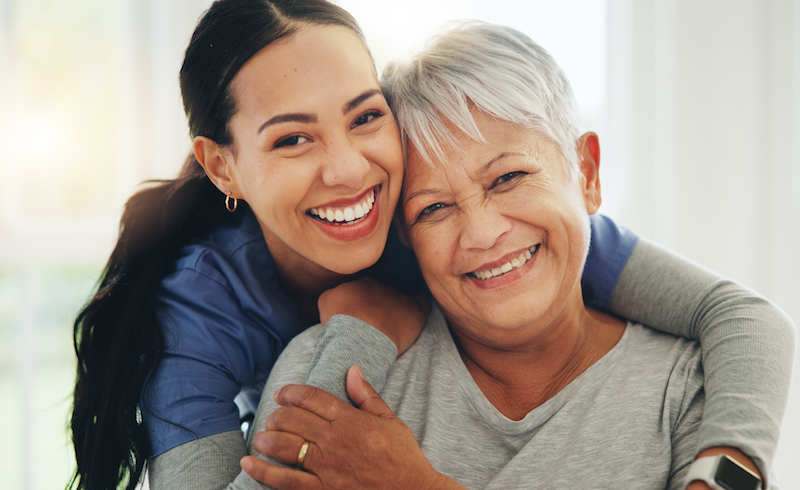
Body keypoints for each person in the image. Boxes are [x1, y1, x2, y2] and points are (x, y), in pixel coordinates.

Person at [67, 1, 794, 489]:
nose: (349, 169)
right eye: (292, 138)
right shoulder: (202, 316)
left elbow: (742, 316)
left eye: (364, 118)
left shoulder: (501, 240)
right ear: (223, 165)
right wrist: (359, 334)